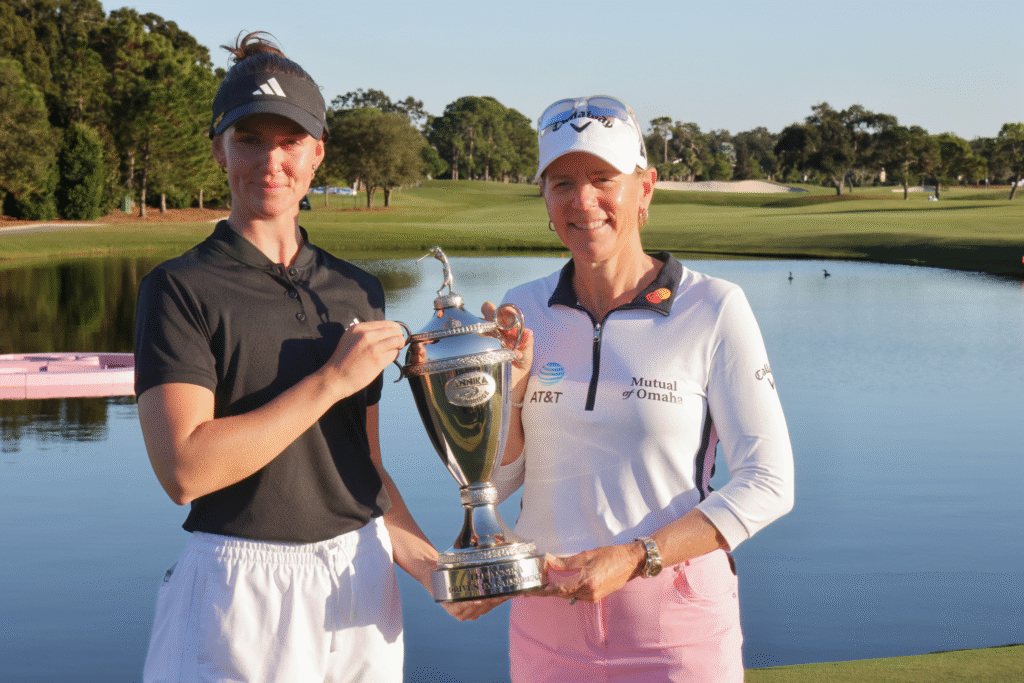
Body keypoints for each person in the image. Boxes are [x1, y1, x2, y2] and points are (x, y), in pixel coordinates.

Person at [133, 32, 474, 683]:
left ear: (317, 152)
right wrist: (330, 380)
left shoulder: (356, 290)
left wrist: (433, 567)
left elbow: (363, 468)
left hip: (363, 576)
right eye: (250, 139)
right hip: (243, 583)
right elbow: (186, 470)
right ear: (218, 149)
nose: (271, 160)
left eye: (289, 140)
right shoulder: (179, 288)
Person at [492, 96, 796, 681]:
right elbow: (499, 482)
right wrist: (517, 389)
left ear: (645, 189)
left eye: (603, 178)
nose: (583, 202)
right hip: (545, 624)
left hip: (674, 629)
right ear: (544, 197)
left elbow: (770, 483)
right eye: (561, 183)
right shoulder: (523, 308)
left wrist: (636, 558)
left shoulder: (713, 307)